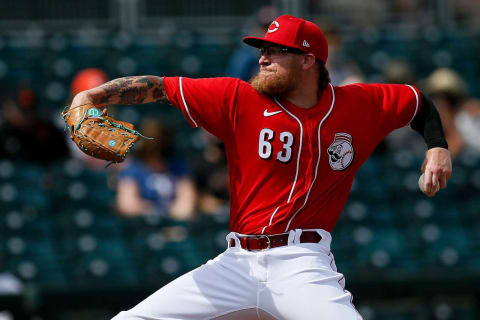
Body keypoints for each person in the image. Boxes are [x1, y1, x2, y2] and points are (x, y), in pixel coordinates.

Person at [70, 15, 452, 320]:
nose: (262, 58)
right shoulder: (239, 99)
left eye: (275, 50)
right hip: (236, 264)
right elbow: (159, 87)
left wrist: (437, 146)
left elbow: (417, 103)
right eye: (262, 49)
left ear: (308, 61)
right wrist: (94, 95)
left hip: (302, 264)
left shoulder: (357, 104)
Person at [116, 118, 197, 220]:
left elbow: (186, 204)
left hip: (172, 224)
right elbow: (127, 205)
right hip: (141, 225)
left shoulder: (178, 168)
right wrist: (154, 211)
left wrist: (168, 214)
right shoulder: (133, 168)